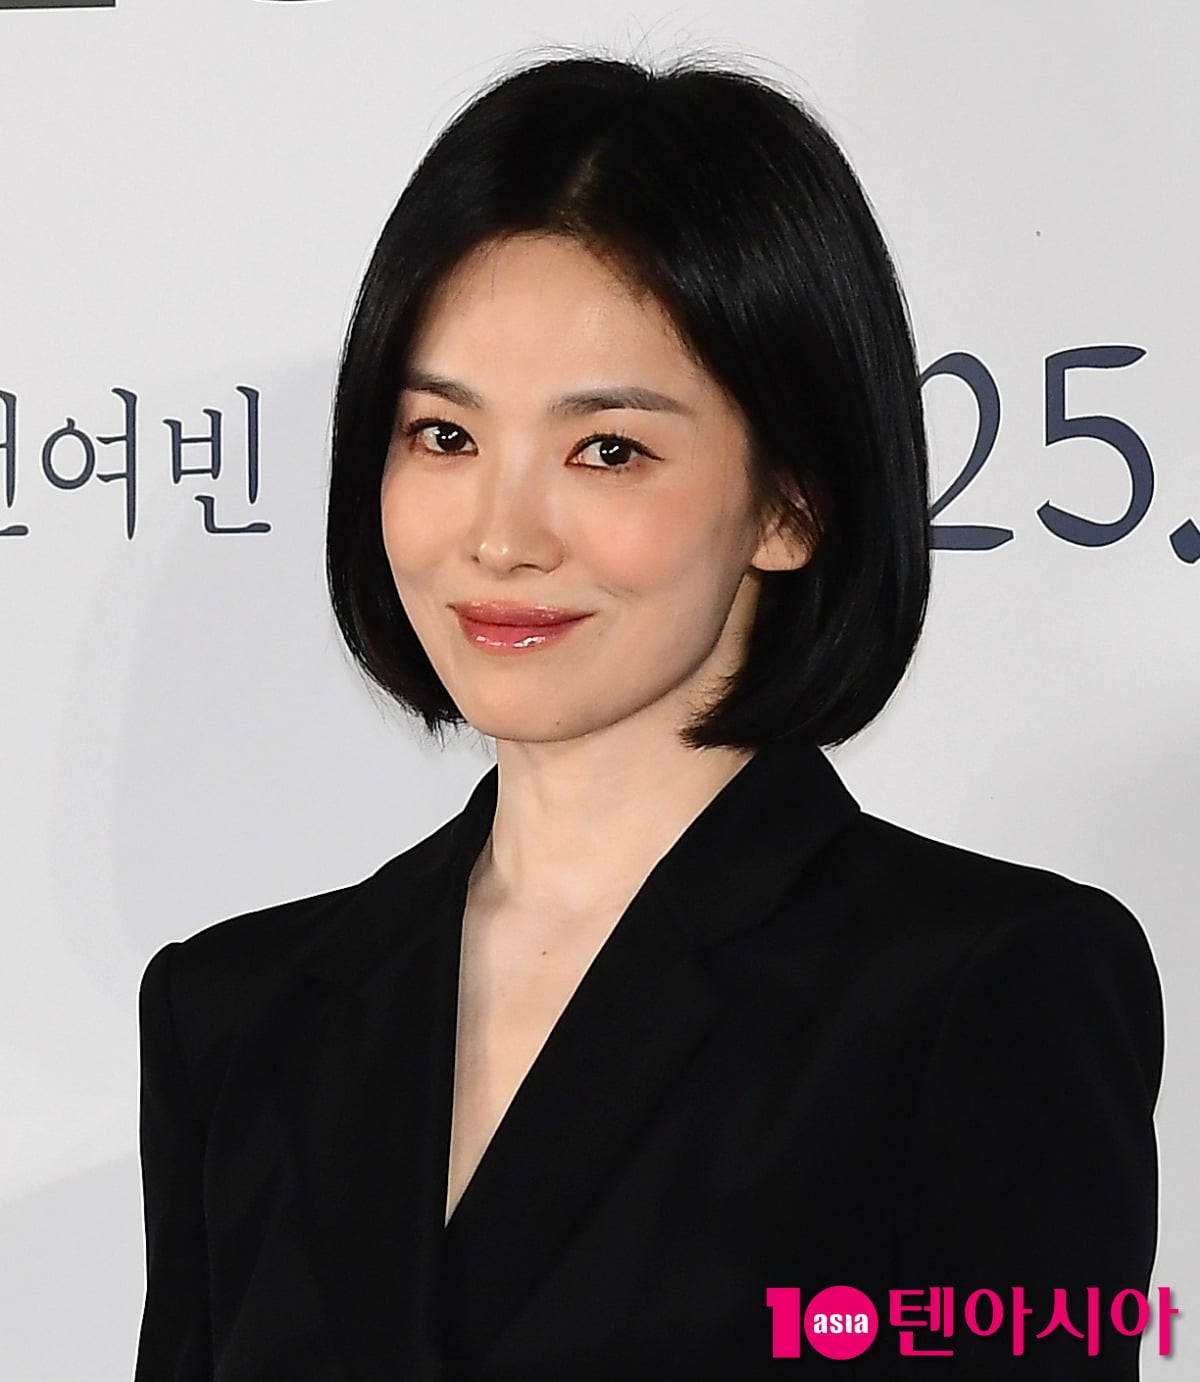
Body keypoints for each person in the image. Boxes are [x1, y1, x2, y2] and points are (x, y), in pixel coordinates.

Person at [133, 55, 1164, 1381]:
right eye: (443, 435)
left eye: (606, 449)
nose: (501, 535)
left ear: (792, 501)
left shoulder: (987, 989)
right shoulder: (240, 1014)